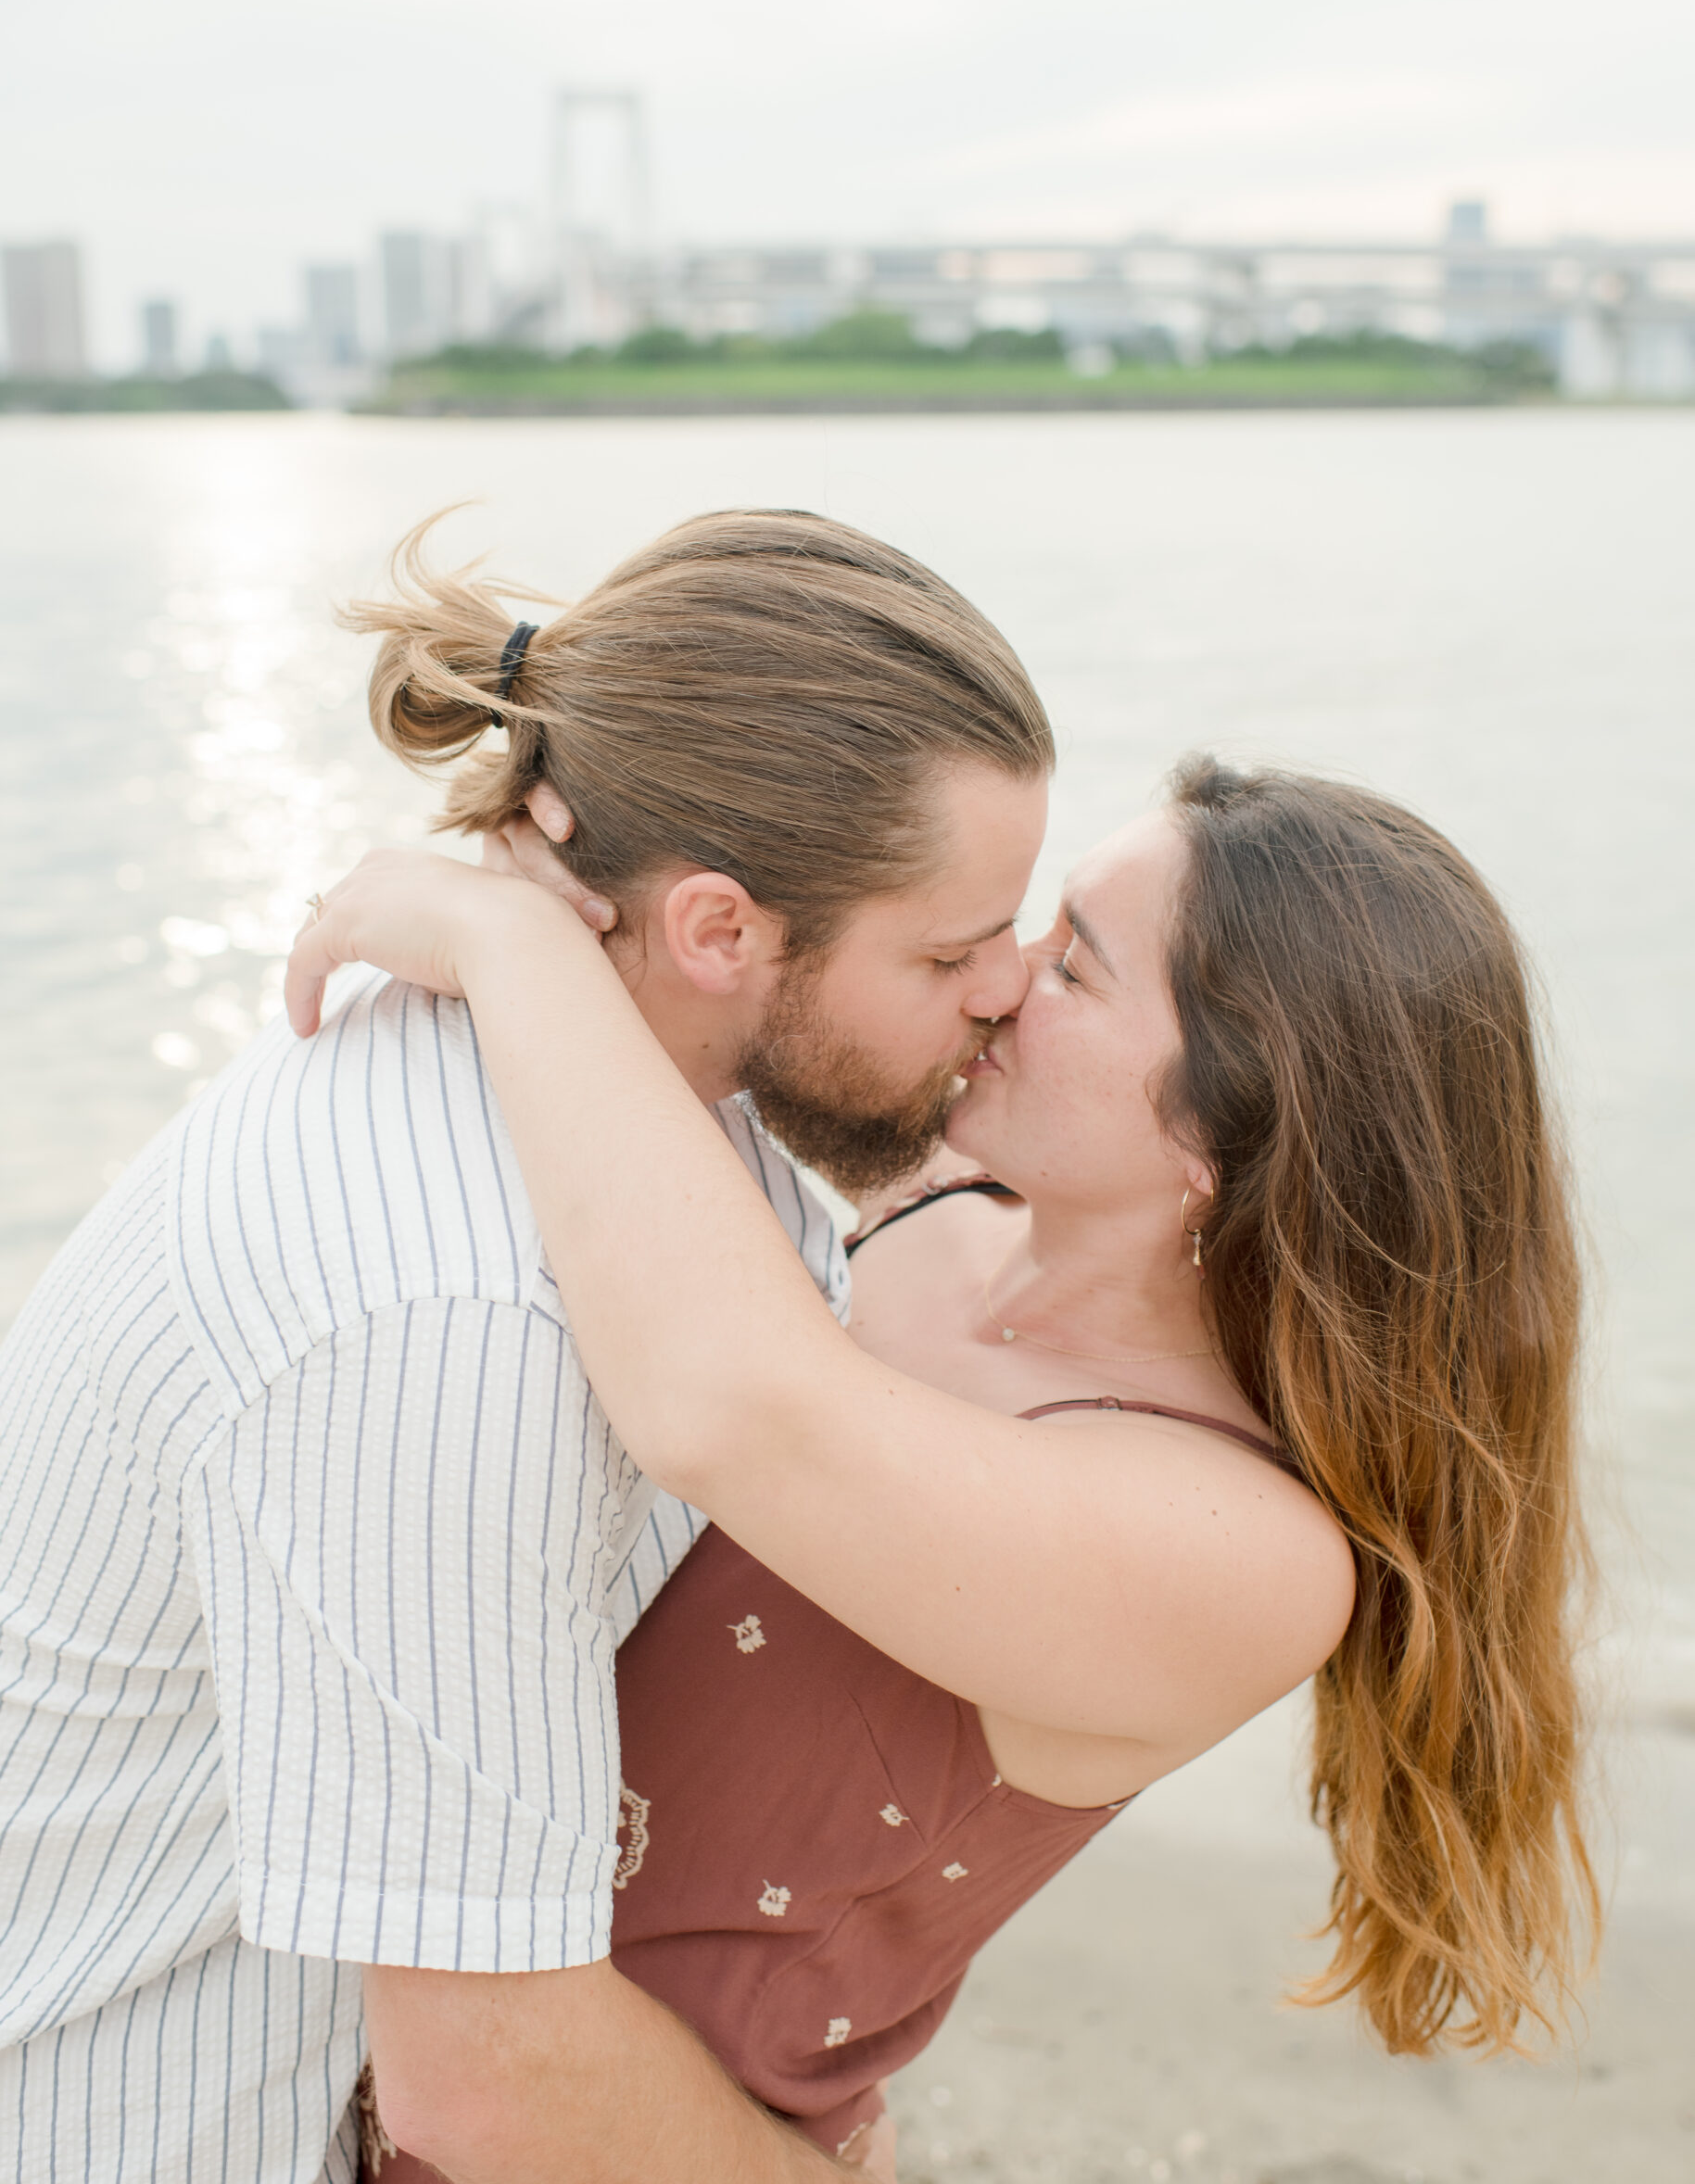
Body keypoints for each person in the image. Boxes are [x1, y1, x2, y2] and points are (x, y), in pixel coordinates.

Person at [294, 755, 1600, 2180]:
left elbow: (724, 1408)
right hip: (360, 2032)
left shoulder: (1245, 1555)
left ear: (1220, 1135)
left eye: (1073, 967)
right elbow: (666, 1112)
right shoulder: (938, 1199)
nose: (996, 978)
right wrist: (591, 896)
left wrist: (505, 944)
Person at [0, 509, 1056, 2184]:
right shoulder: (444, 1314)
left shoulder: (641, 1120)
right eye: (948, 951)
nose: (1006, 989)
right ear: (719, 932)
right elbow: (488, 2087)